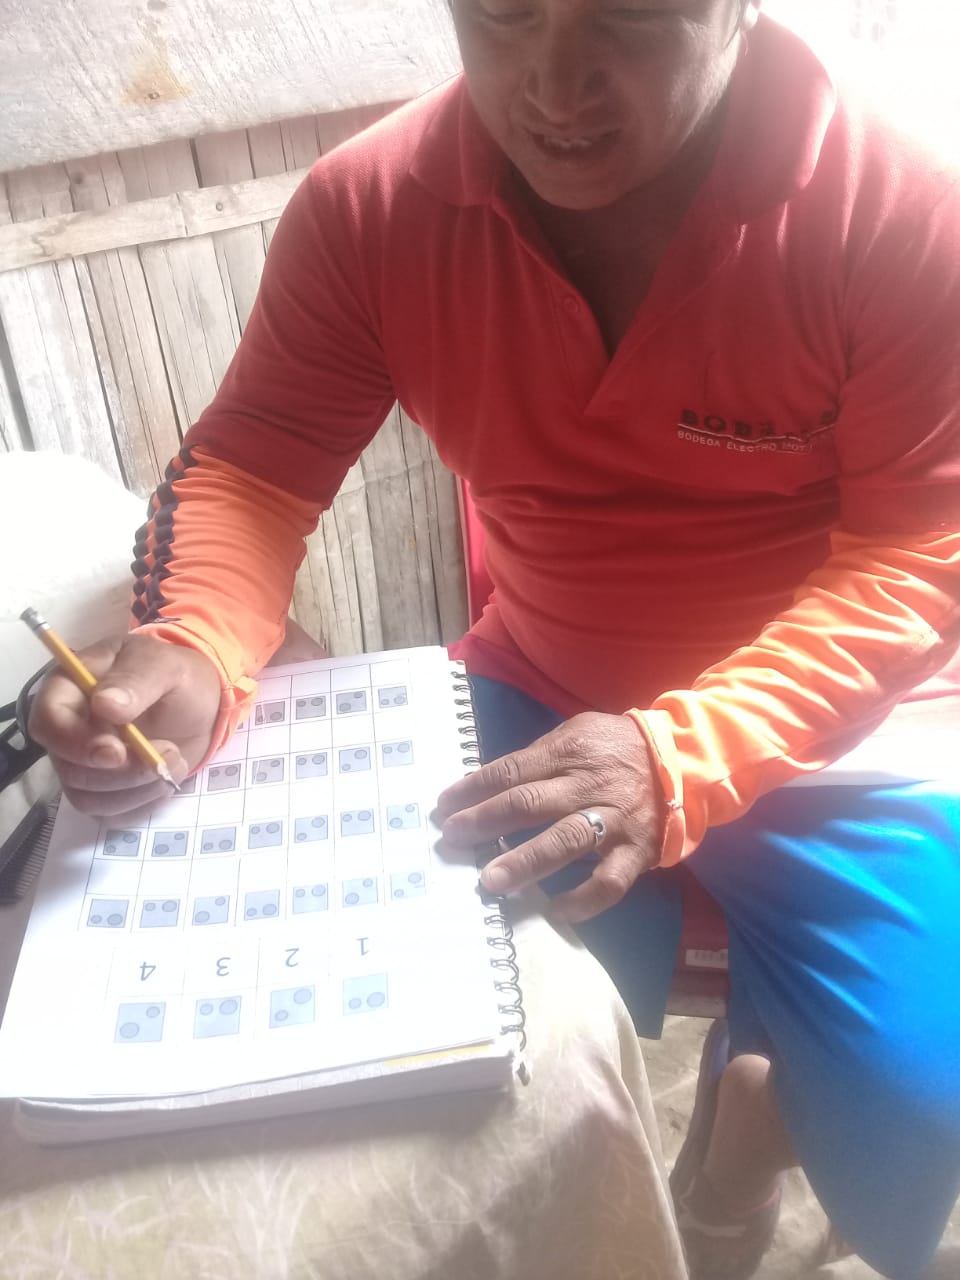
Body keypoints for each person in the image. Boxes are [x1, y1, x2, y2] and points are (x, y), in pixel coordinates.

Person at [29, 1, 960, 1276]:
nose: (557, 85)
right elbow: (255, 464)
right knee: (427, 1053)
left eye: (630, 15)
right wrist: (196, 638)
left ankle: (745, 1136)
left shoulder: (899, 208)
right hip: (539, 685)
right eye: (505, 12)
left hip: (840, 731)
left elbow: (923, 552)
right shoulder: (370, 209)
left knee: (916, 1111)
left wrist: (679, 754)